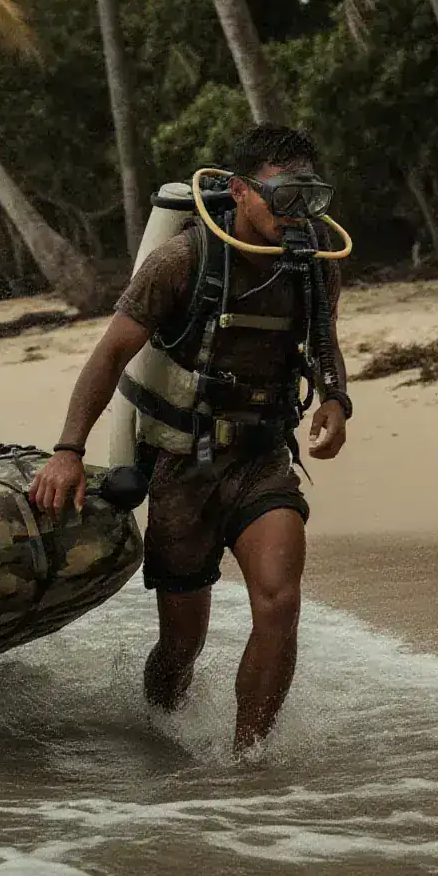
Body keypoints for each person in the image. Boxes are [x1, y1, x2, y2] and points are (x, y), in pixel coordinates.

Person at [29, 126, 351, 754]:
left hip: (262, 459)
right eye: (283, 197)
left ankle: (246, 763)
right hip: (181, 465)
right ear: (239, 191)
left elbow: (323, 344)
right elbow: (110, 355)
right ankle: (160, 735)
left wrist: (337, 400)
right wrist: (68, 450)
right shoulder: (183, 261)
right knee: (182, 642)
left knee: (279, 606)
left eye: (308, 199)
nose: (297, 215)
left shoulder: (314, 266)